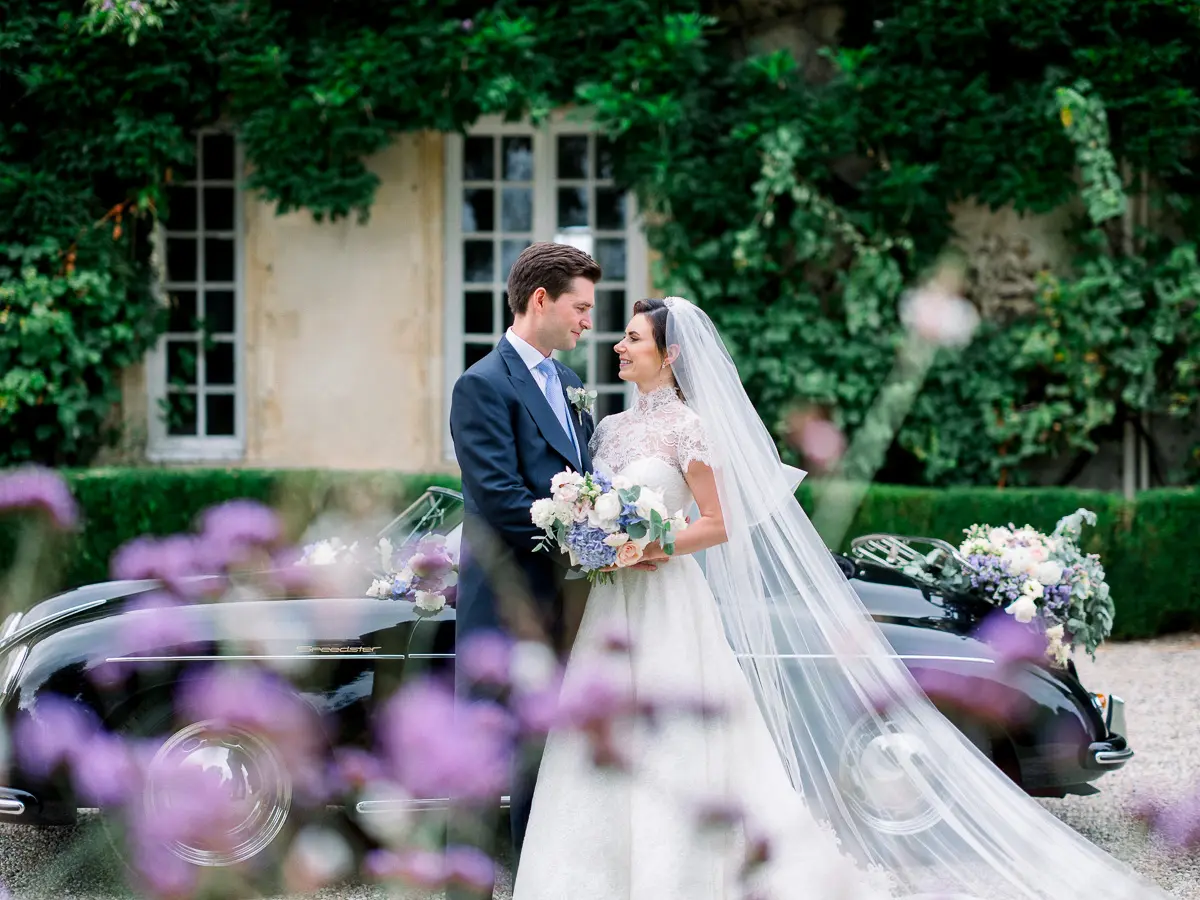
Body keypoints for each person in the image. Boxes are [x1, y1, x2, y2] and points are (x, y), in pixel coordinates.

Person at [511, 296, 1173, 899]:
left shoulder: (690, 428)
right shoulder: (608, 431)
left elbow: (718, 523)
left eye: (632, 338)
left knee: (676, 734)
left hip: (668, 602)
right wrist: (591, 534)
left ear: (670, 352)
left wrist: (652, 546)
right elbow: (595, 507)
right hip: (612, 605)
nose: (618, 348)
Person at [449, 241, 630, 895]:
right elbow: (500, 500)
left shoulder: (574, 389)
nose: (588, 323)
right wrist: (601, 541)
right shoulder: (482, 385)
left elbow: (585, 480)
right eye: (581, 309)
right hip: (503, 609)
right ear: (540, 300)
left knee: (544, 770)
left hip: (567, 612)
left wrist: (619, 524)